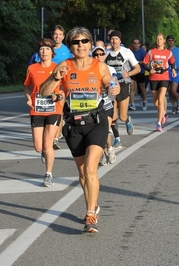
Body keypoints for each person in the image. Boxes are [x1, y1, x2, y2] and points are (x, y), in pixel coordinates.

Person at [40, 27, 120, 233]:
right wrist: (55, 78)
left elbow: (111, 83)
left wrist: (114, 86)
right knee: (82, 173)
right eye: (76, 42)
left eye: (84, 41)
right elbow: (43, 92)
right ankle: (93, 202)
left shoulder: (99, 66)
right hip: (74, 125)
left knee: (90, 169)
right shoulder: (64, 66)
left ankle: (90, 214)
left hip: (97, 122)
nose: (81, 45)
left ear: (90, 43)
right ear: (70, 46)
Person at [24, 38, 63, 187]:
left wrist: (58, 96)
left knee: (47, 144)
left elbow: (63, 91)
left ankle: (48, 174)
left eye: (47, 49)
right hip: (37, 110)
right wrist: (28, 99)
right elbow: (27, 87)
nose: (44, 52)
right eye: (41, 49)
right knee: (38, 147)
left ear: (52, 52)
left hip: (54, 109)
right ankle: (45, 153)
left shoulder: (58, 68)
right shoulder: (32, 68)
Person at [105, 30, 139, 135]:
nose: (114, 41)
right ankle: (116, 138)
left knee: (122, 116)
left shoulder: (127, 52)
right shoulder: (106, 52)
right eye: (112, 39)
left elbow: (137, 69)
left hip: (124, 84)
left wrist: (127, 74)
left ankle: (128, 120)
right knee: (112, 114)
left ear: (120, 40)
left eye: (116, 39)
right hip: (111, 86)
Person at [143, 33, 177, 132]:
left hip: (164, 77)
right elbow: (144, 63)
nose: (158, 41)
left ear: (164, 41)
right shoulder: (151, 52)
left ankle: (158, 124)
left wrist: (173, 70)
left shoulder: (168, 52)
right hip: (153, 78)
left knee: (161, 98)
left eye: (160, 39)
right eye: (157, 39)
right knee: (156, 103)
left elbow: (172, 62)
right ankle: (164, 114)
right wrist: (150, 69)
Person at [92, 45, 116, 166]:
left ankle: (109, 148)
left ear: (105, 55)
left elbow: (114, 89)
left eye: (101, 54)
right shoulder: (89, 69)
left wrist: (114, 107)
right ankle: (101, 154)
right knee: (98, 131)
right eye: (96, 54)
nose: (99, 56)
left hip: (107, 103)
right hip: (94, 105)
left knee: (105, 129)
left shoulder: (111, 69)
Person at [166, 35, 179, 114]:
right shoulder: (165, 50)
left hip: (177, 72)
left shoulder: (178, 50)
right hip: (167, 72)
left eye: (172, 40)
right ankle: (173, 106)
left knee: (173, 90)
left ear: (174, 41)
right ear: (167, 42)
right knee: (169, 91)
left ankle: (178, 103)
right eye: (169, 40)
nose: (171, 42)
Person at [129, 38, 147, 111]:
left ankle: (144, 101)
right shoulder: (130, 52)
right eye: (134, 43)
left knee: (142, 87)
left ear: (139, 44)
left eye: (137, 43)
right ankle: (132, 104)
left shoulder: (142, 52)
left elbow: (145, 61)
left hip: (140, 71)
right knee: (132, 88)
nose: (136, 45)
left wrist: (138, 62)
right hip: (132, 71)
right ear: (133, 44)